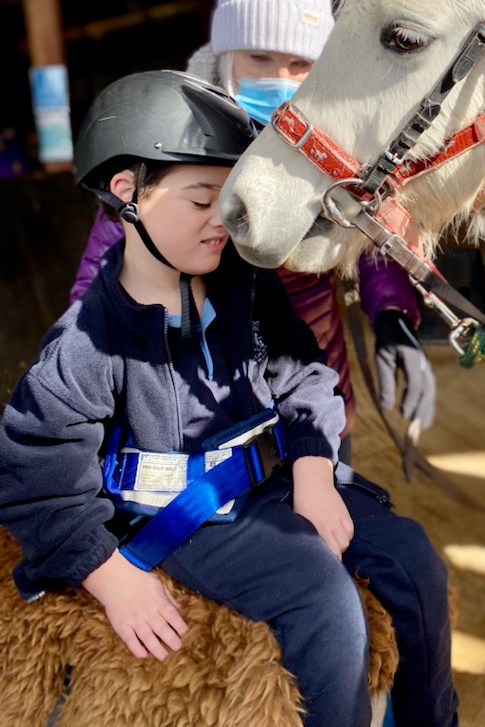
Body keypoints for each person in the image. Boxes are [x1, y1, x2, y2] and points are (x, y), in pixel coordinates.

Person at [0, 70, 459, 727]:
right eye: (200, 199)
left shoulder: (244, 283)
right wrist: (107, 574)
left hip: (271, 478)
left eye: (230, 196)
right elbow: (32, 469)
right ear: (128, 195)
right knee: (324, 599)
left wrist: (312, 466)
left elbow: (303, 370)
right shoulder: (86, 342)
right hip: (185, 516)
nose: (224, 218)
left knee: (416, 562)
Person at [69, 0, 435, 460]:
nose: (280, 79)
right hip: (200, 408)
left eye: (300, 63)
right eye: (259, 59)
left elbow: (371, 232)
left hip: (316, 385)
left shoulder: (333, 146)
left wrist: (391, 312)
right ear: (225, 55)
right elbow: (102, 268)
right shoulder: (166, 143)